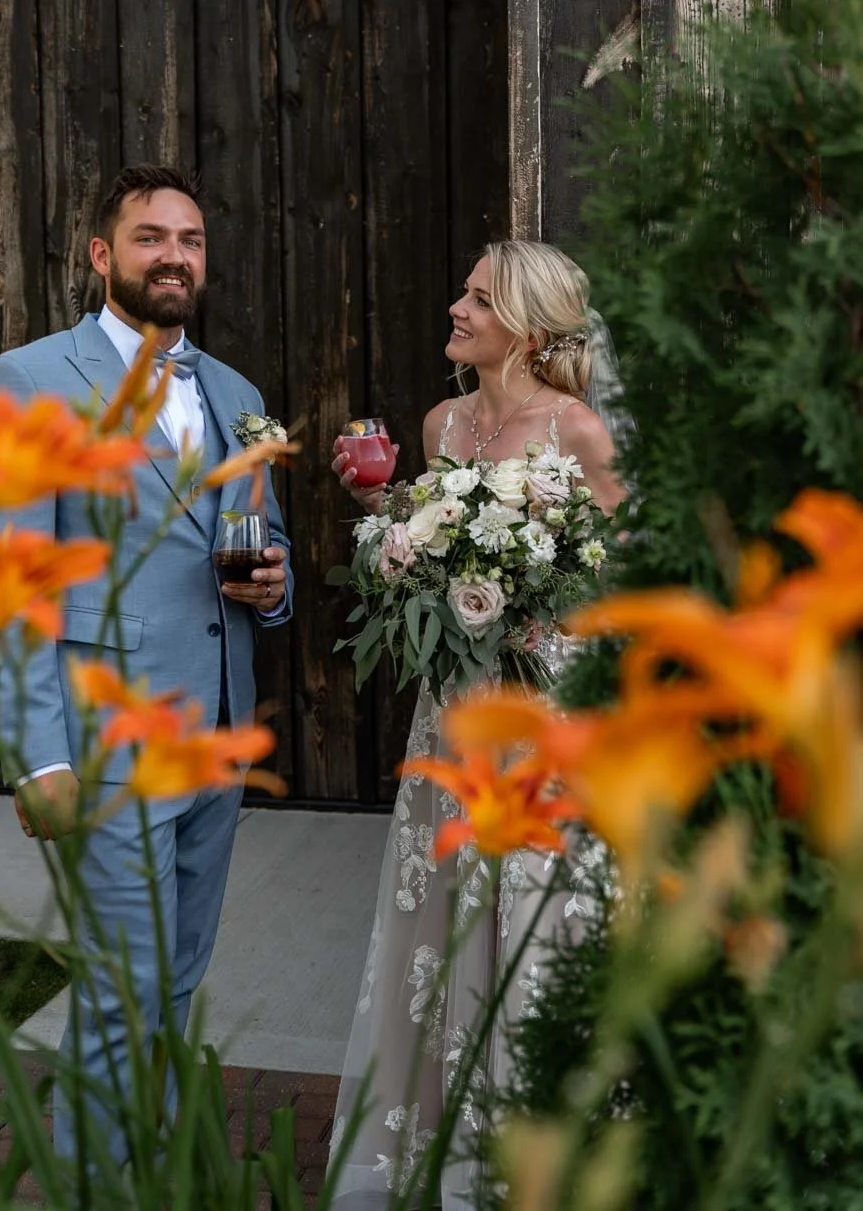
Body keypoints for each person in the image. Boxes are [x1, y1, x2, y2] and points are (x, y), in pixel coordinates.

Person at [0, 163, 292, 1162]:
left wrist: (274, 590)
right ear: (103, 255)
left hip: (214, 736)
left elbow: (266, 547)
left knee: (176, 976)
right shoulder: (26, 382)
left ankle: (142, 1167)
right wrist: (37, 757)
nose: (174, 257)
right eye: (151, 238)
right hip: (103, 743)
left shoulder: (236, 392)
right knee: (119, 985)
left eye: (189, 241)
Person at [327, 241, 626, 1209]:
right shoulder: (441, 422)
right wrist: (383, 518)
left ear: (529, 328)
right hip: (451, 714)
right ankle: (439, 1154)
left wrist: (539, 595)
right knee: (441, 911)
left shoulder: (577, 430)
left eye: (476, 297)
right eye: (460, 290)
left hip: (542, 711)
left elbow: (622, 575)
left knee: (532, 909)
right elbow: (422, 557)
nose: (454, 307)